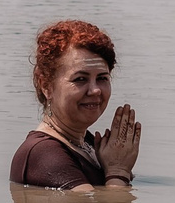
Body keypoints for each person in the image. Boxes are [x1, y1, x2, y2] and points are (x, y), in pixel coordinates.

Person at [12, 19, 139, 190]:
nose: (95, 91)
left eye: (102, 78)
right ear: (46, 86)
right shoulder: (44, 154)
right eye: (80, 79)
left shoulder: (86, 144)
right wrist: (118, 171)